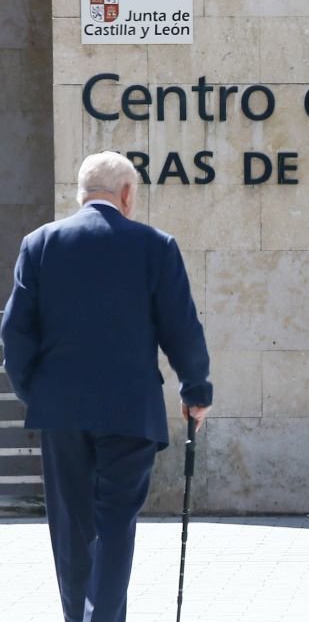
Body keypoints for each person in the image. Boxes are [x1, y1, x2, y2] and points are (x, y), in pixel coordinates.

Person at [1, 151, 212, 622]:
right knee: (115, 525)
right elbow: (181, 326)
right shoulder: (156, 246)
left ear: (80, 194)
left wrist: (36, 394)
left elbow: (15, 333)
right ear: (127, 194)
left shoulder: (40, 244)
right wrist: (195, 389)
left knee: (71, 528)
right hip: (130, 410)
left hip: (62, 411)